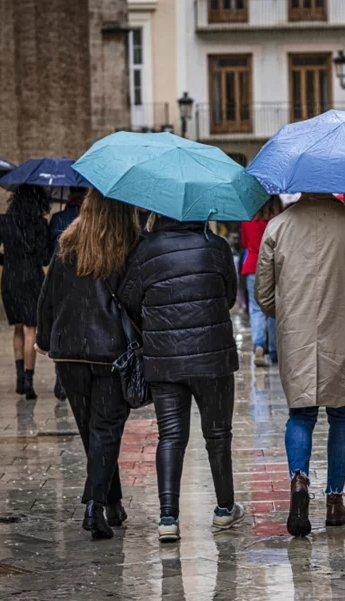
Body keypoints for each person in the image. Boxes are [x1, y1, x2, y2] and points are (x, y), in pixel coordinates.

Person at [255, 193, 345, 537]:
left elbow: (263, 293)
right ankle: (334, 502)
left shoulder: (277, 226)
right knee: (341, 416)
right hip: (343, 328)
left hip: (295, 332)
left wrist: (290, 314)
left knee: (301, 414)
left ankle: (299, 483)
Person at [119, 212, 244, 542]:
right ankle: (224, 508)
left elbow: (129, 298)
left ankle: (168, 517)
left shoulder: (143, 251)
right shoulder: (215, 246)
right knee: (217, 435)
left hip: (164, 359)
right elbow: (230, 297)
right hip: (213, 358)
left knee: (171, 436)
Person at [36, 189, 139, 539]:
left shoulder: (67, 242)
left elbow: (48, 293)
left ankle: (113, 502)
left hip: (69, 352)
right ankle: (94, 506)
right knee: (106, 429)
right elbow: (135, 299)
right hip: (110, 351)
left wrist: (45, 337)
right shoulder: (127, 244)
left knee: (92, 431)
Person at [0, 185, 51, 399]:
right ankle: (29, 380)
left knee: (18, 328)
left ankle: (19, 378)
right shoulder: (40, 224)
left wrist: (8, 261)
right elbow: (45, 258)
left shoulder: (4, 221)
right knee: (31, 328)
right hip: (32, 277)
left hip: (10, 278)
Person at [47, 188, 86, 401]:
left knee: (62, 327)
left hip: (62, 281)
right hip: (88, 280)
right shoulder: (92, 221)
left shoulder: (58, 219)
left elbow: (48, 253)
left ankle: (61, 379)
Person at [240, 196, 282, 367]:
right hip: (272, 267)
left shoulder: (248, 219)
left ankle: (258, 345)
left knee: (256, 308)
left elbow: (245, 242)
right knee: (273, 308)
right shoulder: (278, 221)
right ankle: (274, 350)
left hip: (252, 266)